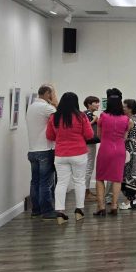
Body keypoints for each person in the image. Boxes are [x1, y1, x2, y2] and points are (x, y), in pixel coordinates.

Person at [46, 92, 94, 225]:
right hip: (79, 153)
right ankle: (79, 211)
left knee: (61, 183)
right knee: (79, 181)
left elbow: (49, 136)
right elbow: (89, 135)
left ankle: (60, 213)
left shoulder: (54, 117)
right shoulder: (81, 116)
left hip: (61, 154)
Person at [94, 88, 131, 216]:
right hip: (120, 150)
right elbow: (125, 137)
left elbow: (99, 135)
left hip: (105, 149)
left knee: (100, 178)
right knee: (117, 179)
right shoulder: (126, 119)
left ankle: (101, 207)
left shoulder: (103, 116)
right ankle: (114, 206)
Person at [26, 84, 58, 219]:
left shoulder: (31, 107)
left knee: (35, 181)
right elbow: (60, 117)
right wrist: (55, 102)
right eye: (52, 93)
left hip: (32, 150)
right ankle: (47, 211)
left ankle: (36, 210)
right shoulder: (46, 107)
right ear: (47, 94)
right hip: (45, 149)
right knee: (46, 182)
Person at [83, 96, 101, 202]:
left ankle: (87, 190)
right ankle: (86, 192)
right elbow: (84, 128)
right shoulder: (87, 114)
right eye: (95, 102)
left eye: (98, 102)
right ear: (89, 104)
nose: (98, 104)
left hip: (89, 143)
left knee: (88, 167)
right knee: (88, 167)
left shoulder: (89, 114)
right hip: (88, 143)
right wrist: (94, 120)